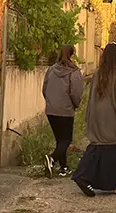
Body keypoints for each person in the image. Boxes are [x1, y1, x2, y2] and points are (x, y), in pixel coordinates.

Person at [73, 43, 116, 197]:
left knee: (97, 147)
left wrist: (88, 117)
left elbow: (91, 96)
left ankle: (83, 175)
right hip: (111, 117)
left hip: (96, 115)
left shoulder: (97, 73)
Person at [42, 45, 84, 177]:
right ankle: (52, 158)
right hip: (65, 110)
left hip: (51, 110)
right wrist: (75, 105)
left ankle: (64, 167)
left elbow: (44, 89)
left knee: (60, 140)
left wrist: (50, 102)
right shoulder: (74, 72)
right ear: (72, 56)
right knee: (66, 140)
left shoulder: (51, 70)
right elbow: (76, 93)